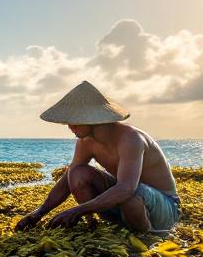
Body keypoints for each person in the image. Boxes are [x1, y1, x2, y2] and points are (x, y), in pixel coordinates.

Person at [15, 81, 180, 233]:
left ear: (93, 119)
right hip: (127, 202)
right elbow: (68, 180)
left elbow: (126, 188)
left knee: (132, 195)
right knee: (77, 172)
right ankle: (94, 224)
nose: (70, 126)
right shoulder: (86, 141)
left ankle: (147, 237)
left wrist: (77, 210)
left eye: (76, 121)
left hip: (164, 206)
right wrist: (39, 213)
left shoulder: (131, 139)